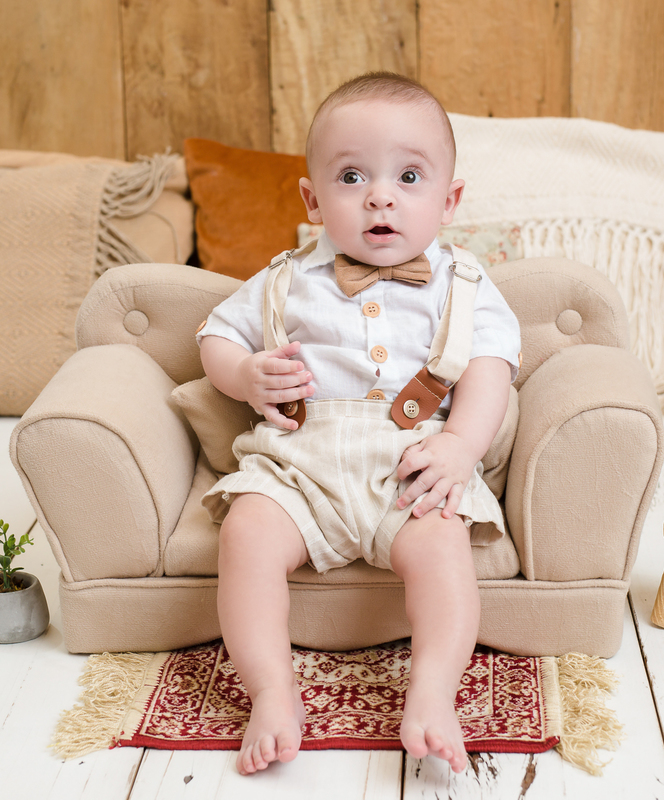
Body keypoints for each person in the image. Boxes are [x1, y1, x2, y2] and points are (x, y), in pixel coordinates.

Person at [195, 72, 521, 775]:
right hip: (299, 466)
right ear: (313, 200)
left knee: (441, 547)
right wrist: (245, 375)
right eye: (351, 176)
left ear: (448, 199)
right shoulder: (287, 277)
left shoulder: (464, 282)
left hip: (408, 463)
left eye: (409, 176)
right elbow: (215, 337)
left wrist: (461, 446)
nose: (381, 195)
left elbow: (492, 366)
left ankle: (433, 692)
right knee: (247, 535)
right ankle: (272, 692)